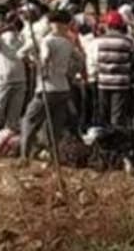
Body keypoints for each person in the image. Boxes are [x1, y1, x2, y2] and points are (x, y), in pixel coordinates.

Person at [20, 8, 82, 160]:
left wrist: (36, 63)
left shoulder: (47, 41)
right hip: (63, 89)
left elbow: (45, 57)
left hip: (46, 88)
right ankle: (54, 156)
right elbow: (80, 59)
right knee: (55, 126)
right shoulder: (68, 43)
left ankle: (24, 156)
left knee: (29, 120)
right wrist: (71, 73)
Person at [0, 9, 27, 134]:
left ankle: (8, 137)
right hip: (4, 79)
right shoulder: (2, 38)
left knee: (14, 114)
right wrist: (4, 29)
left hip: (20, 79)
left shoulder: (23, 37)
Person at [91, 10, 134, 128]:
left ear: (107, 25)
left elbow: (94, 60)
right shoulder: (128, 41)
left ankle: (105, 139)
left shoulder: (98, 41)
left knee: (103, 114)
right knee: (117, 115)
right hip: (121, 83)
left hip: (103, 82)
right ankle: (117, 140)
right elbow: (132, 60)